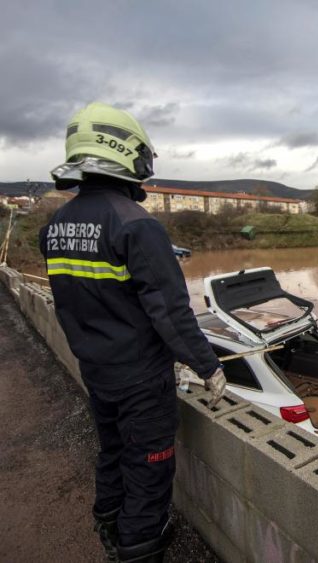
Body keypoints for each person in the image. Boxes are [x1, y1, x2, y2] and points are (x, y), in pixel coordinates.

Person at [39, 102, 226, 563]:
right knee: (149, 465)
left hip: (97, 369)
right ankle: (139, 546)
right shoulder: (137, 225)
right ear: (125, 153)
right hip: (141, 378)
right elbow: (171, 312)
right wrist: (208, 366)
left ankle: (107, 521)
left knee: (113, 452)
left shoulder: (56, 226)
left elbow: (72, 302)